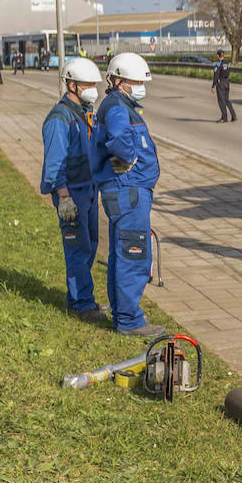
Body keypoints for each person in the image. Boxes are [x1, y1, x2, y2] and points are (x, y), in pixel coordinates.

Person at [92, 52, 166, 337]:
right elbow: (120, 138)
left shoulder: (120, 103)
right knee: (133, 254)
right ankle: (129, 321)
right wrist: (130, 156)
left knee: (121, 254)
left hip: (125, 190)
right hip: (129, 190)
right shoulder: (117, 107)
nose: (140, 86)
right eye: (135, 81)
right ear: (119, 80)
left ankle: (121, 314)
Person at [41, 57, 105, 322]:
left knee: (89, 244)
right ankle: (83, 305)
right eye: (88, 84)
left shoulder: (83, 112)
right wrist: (63, 197)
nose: (93, 89)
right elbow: (55, 164)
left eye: (94, 83)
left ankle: (76, 298)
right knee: (77, 248)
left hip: (87, 189)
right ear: (72, 85)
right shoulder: (59, 118)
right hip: (71, 193)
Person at [211, 49, 237, 123]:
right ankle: (233, 115)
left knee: (221, 101)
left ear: (218, 56)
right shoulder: (227, 63)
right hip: (227, 82)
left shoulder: (218, 64)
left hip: (221, 83)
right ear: (224, 55)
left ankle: (224, 117)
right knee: (227, 100)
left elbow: (216, 75)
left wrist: (213, 85)